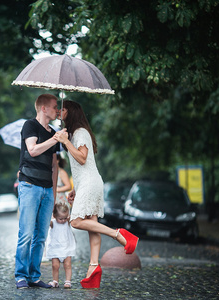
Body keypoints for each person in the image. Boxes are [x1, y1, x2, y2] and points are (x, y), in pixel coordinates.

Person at [54, 100, 139, 289]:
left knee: (75, 220)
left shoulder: (80, 133)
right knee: (92, 226)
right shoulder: (74, 133)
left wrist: (65, 141)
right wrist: (76, 188)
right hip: (87, 182)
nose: (59, 111)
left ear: (72, 112)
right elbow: (81, 166)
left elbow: (83, 159)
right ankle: (93, 269)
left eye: (62, 109)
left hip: (91, 182)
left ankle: (120, 235)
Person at [15, 94, 61, 289]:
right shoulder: (30, 126)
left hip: (47, 190)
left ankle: (34, 276)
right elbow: (32, 150)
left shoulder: (55, 133)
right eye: (54, 106)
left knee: (41, 236)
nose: (57, 110)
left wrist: (54, 193)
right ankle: (21, 276)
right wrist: (54, 139)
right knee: (26, 234)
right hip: (29, 186)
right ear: (43, 108)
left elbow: (55, 166)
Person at [45, 202, 76, 289]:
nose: (63, 220)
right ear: (54, 216)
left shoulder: (68, 222)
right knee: (55, 265)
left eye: (65, 218)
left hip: (67, 247)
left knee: (68, 264)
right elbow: (46, 220)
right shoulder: (53, 223)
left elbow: (74, 216)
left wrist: (72, 204)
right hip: (55, 248)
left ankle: (68, 281)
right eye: (60, 219)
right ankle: (55, 281)